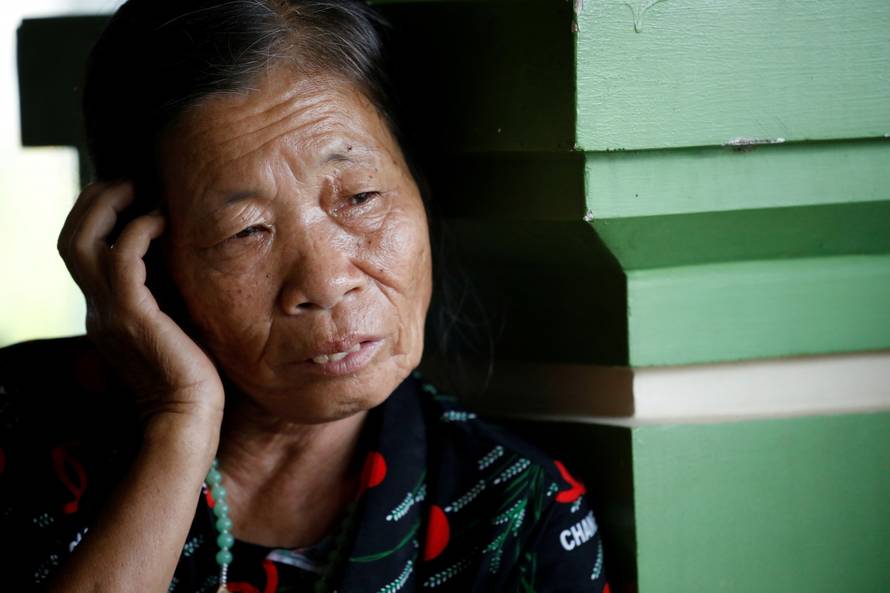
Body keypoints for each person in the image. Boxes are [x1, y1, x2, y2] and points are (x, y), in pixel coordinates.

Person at [0, 1, 609, 591]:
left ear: (419, 186)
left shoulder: (515, 512)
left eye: (360, 197)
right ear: (145, 252)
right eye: (246, 232)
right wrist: (180, 425)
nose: (323, 282)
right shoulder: (17, 426)